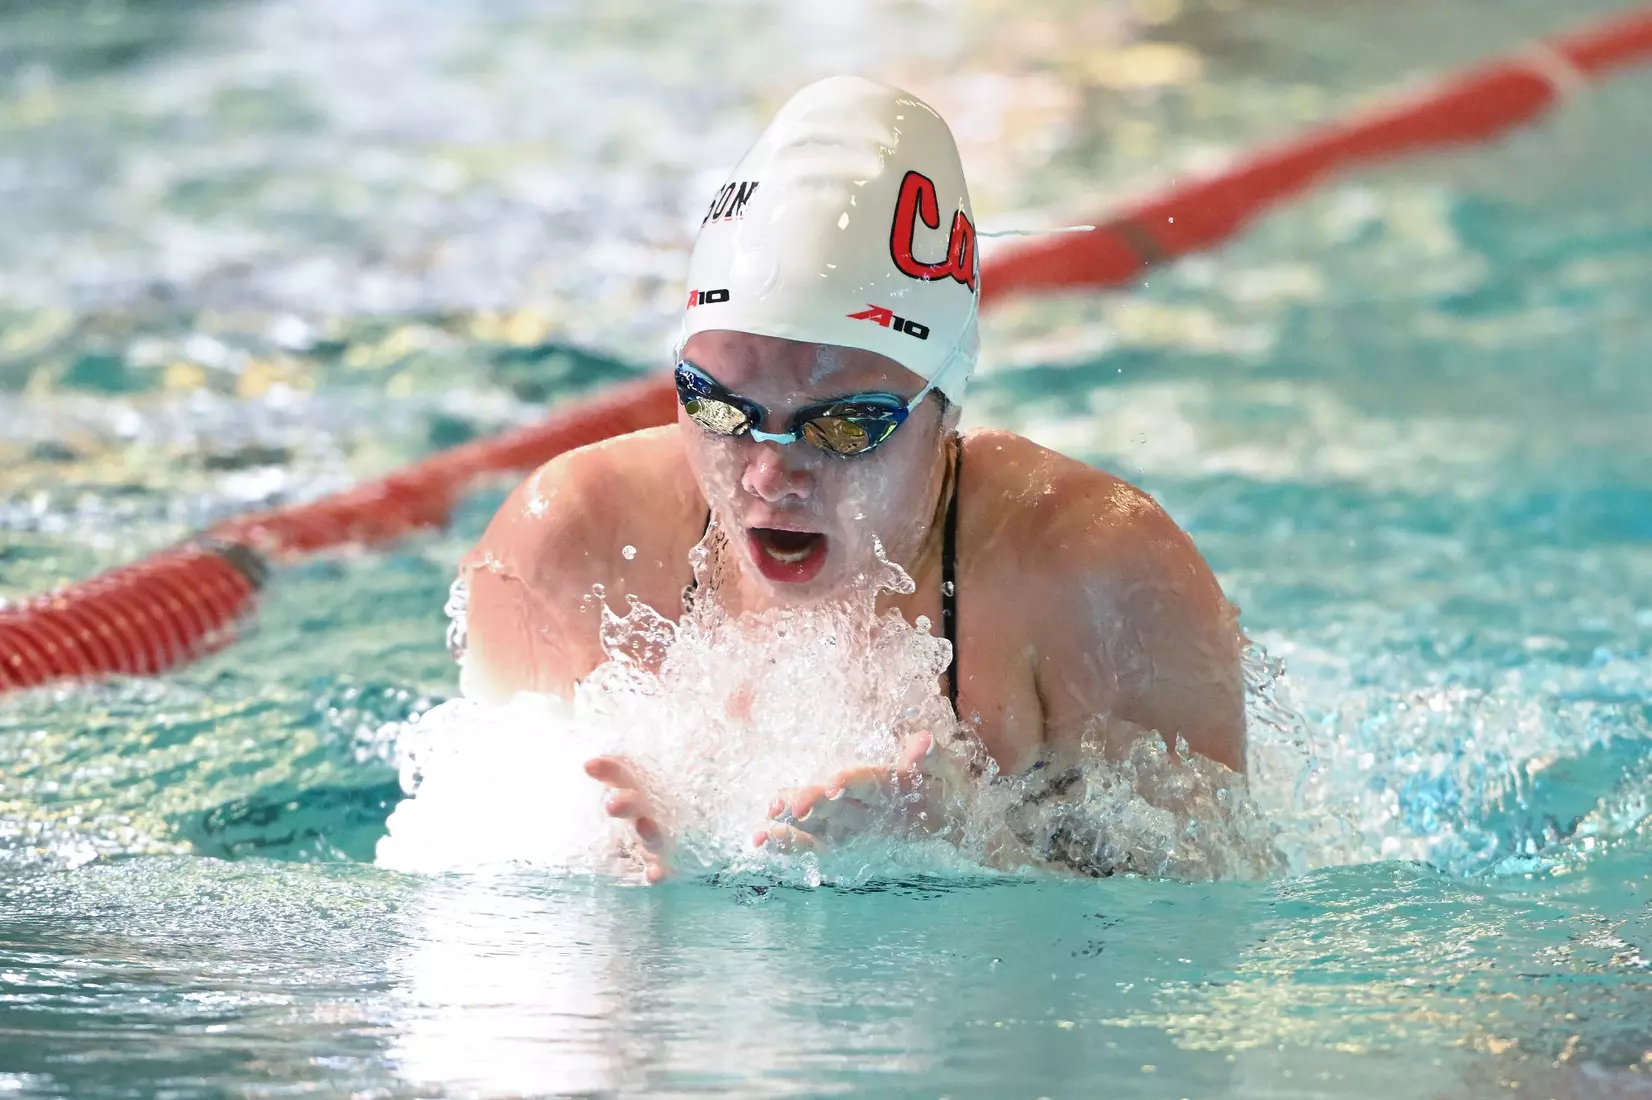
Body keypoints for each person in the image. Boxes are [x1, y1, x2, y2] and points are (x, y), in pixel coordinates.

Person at [455, 76, 1244, 881]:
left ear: (946, 411)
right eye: (720, 407)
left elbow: (1211, 926)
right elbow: (458, 908)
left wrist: (978, 859)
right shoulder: (568, 541)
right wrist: (601, 881)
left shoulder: (1098, 576)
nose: (770, 474)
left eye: (844, 425)